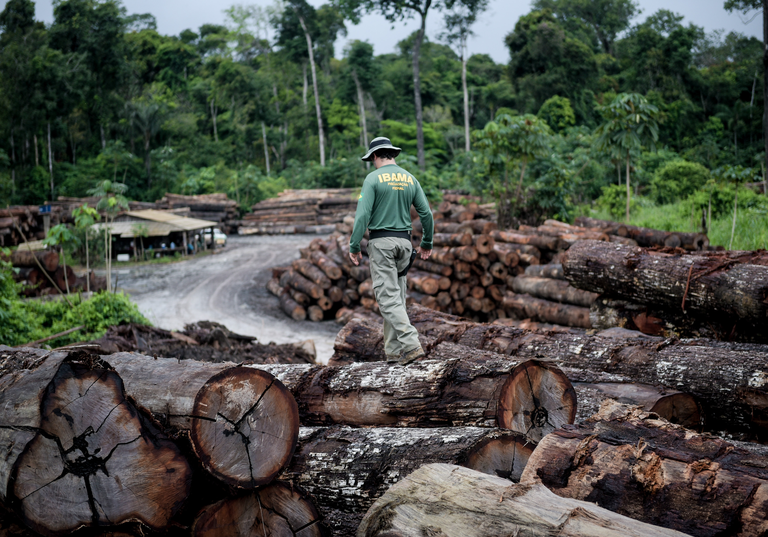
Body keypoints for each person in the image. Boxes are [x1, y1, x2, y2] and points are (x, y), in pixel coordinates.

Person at [349, 137, 434, 364]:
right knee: (396, 299)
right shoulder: (410, 178)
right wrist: (427, 242)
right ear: (393, 155)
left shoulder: (372, 179)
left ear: (375, 156)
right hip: (405, 245)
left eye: (372, 159)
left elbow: (362, 216)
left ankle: (412, 345)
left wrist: (354, 245)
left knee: (387, 299)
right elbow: (426, 214)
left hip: (382, 244)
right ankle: (393, 354)